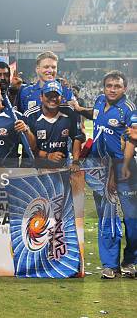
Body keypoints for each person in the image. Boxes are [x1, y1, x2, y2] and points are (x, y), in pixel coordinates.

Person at [71, 71, 136, 278]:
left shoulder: (129, 111)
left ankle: (131, 260)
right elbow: (95, 114)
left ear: (124, 88)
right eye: (109, 85)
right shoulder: (100, 101)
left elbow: (132, 142)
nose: (113, 89)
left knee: (132, 219)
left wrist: (117, 174)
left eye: (117, 86)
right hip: (100, 167)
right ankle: (110, 265)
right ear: (104, 87)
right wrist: (80, 109)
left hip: (124, 168)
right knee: (107, 216)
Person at [23, 80, 85, 170]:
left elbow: (77, 137)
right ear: (41, 97)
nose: (53, 98)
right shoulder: (30, 115)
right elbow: (28, 147)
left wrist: (75, 161)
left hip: (61, 167)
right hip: (36, 167)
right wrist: (48, 155)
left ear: (62, 97)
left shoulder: (69, 112)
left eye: (56, 95)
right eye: (48, 95)